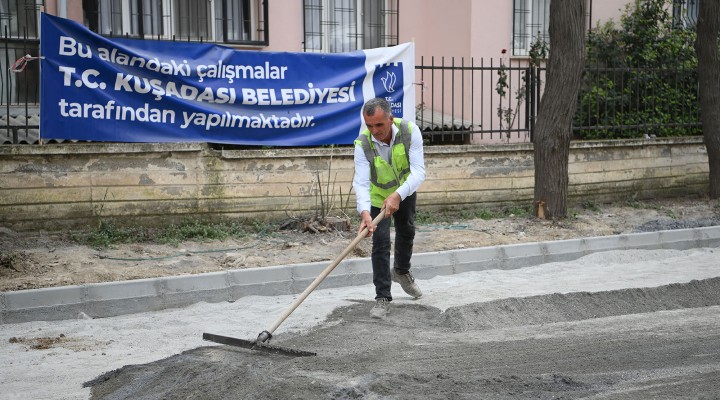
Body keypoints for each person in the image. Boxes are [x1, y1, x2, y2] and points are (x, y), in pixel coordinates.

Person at [352, 97, 426, 319]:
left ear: (390, 119)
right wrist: (365, 212)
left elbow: (419, 172)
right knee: (380, 242)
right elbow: (362, 183)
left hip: (405, 190)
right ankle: (382, 296)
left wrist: (398, 195)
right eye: (370, 125)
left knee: (407, 231)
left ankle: (402, 271)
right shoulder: (362, 144)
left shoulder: (409, 132)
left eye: (379, 125)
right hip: (377, 197)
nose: (374, 131)